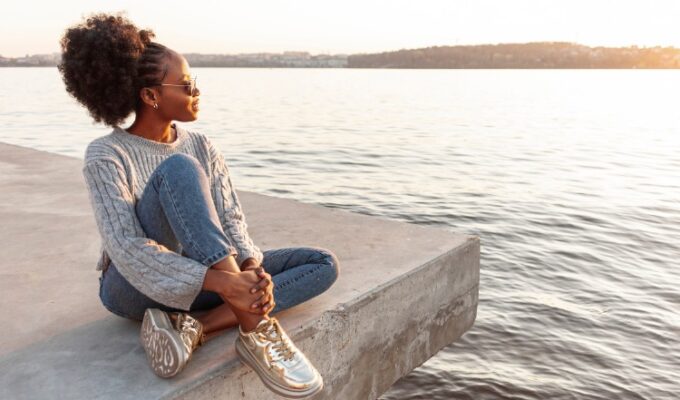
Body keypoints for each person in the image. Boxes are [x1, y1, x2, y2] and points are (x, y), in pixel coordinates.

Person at [58, 12, 339, 399]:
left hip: (205, 282)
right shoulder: (107, 154)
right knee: (180, 169)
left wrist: (251, 270)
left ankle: (197, 327)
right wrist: (225, 282)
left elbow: (231, 219)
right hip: (132, 287)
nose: (197, 92)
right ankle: (255, 329)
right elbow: (126, 248)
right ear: (151, 95)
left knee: (321, 264)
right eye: (187, 84)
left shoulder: (202, 144)